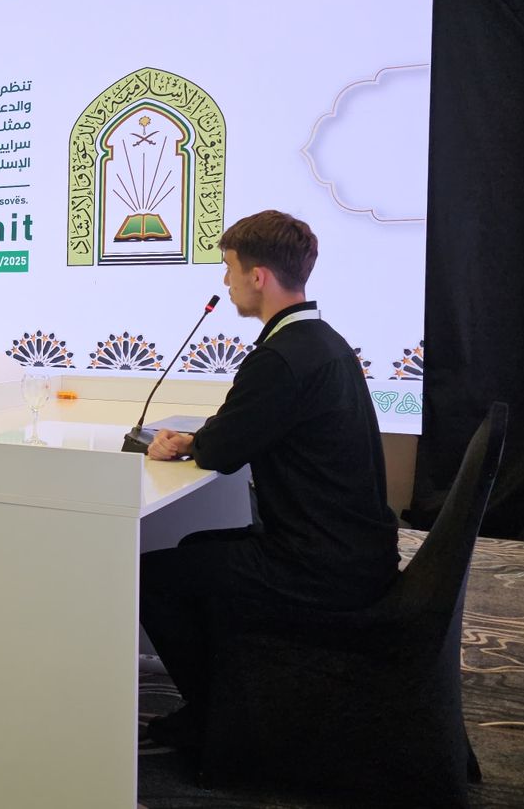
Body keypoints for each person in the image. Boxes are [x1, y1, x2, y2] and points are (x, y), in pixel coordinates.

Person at [138, 210, 398, 751]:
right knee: (193, 548)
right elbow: (245, 429)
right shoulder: (324, 343)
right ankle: (233, 695)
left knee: (151, 577)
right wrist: (200, 440)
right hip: (355, 552)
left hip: (317, 566)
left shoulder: (280, 358)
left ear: (257, 276)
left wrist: (191, 443)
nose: (226, 281)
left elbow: (223, 451)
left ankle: (216, 717)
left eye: (229, 268)